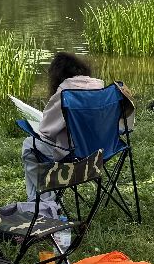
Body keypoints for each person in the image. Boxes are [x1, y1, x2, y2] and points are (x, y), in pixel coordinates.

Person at [21, 52, 104, 199]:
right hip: (100, 151)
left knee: (29, 145)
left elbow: (46, 131)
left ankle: (45, 199)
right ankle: (37, 201)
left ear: (57, 75)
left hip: (73, 154)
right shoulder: (99, 87)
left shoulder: (65, 92)